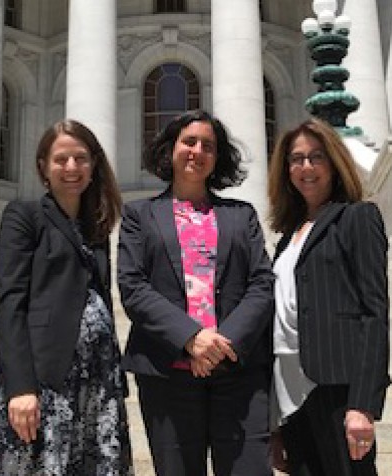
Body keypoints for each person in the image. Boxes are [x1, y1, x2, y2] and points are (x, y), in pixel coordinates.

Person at [0, 120, 133, 475]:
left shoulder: (95, 225)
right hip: (44, 379)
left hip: (95, 384)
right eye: (61, 159)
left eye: (81, 158)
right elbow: (10, 303)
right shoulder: (25, 215)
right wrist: (21, 386)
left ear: (93, 164)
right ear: (43, 167)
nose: (71, 168)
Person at [117, 110, 275, 476]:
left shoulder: (242, 215)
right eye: (189, 141)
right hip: (167, 373)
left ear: (217, 158)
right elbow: (133, 286)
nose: (197, 150)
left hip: (238, 370)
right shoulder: (140, 215)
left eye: (208, 145)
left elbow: (261, 283)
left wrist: (222, 343)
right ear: (171, 148)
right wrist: (190, 338)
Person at [266, 117, 390, 476]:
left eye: (316, 157)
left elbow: (374, 312)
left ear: (334, 163)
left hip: (336, 388)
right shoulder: (287, 237)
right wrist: (274, 420)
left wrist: (363, 404)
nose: (306, 167)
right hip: (290, 392)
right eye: (296, 158)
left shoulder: (357, 218)